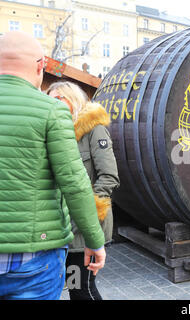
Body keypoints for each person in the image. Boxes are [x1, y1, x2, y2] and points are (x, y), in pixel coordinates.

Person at [0, 31, 106, 300]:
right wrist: (95, 241)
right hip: (32, 258)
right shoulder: (49, 111)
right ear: (40, 67)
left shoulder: (93, 128)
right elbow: (75, 182)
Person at [46, 81, 119, 300]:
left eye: (59, 98)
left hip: (85, 228)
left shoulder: (93, 130)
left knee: (82, 289)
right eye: (49, 99)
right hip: (60, 226)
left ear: (74, 99)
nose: (53, 103)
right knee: (70, 285)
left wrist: (87, 216)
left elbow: (109, 177)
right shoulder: (54, 131)